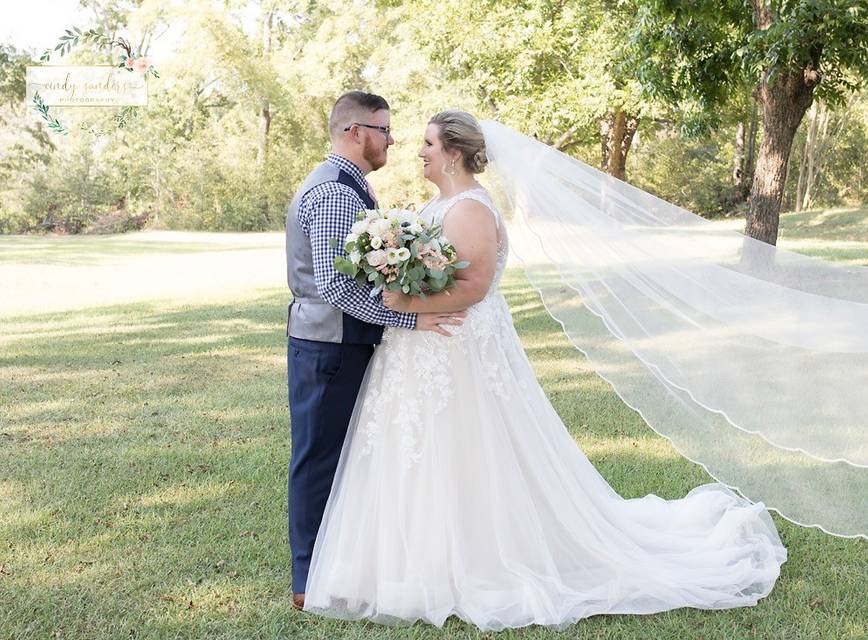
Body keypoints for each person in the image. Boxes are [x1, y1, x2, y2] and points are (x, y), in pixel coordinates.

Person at [301, 109, 787, 630]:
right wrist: (398, 286)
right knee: (416, 449)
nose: (417, 150)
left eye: (427, 143)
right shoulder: (436, 203)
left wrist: (400, 301)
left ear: (454, 152)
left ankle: (475, 562)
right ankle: (407, 564)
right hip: (421, 348)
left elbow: (472, 288)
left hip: (456, 352)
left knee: (465, 450)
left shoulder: (469, 209)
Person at [284, 92, 464, 610]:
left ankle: (335, 565)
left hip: (338, 340)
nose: (392, 140)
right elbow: (339, 290)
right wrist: (411, 317)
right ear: (355, 132)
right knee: (320, 457)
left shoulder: (346, 184)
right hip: (330, 343)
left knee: (343, 458)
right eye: (385, 130)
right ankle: (307, 579)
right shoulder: (337, 192)